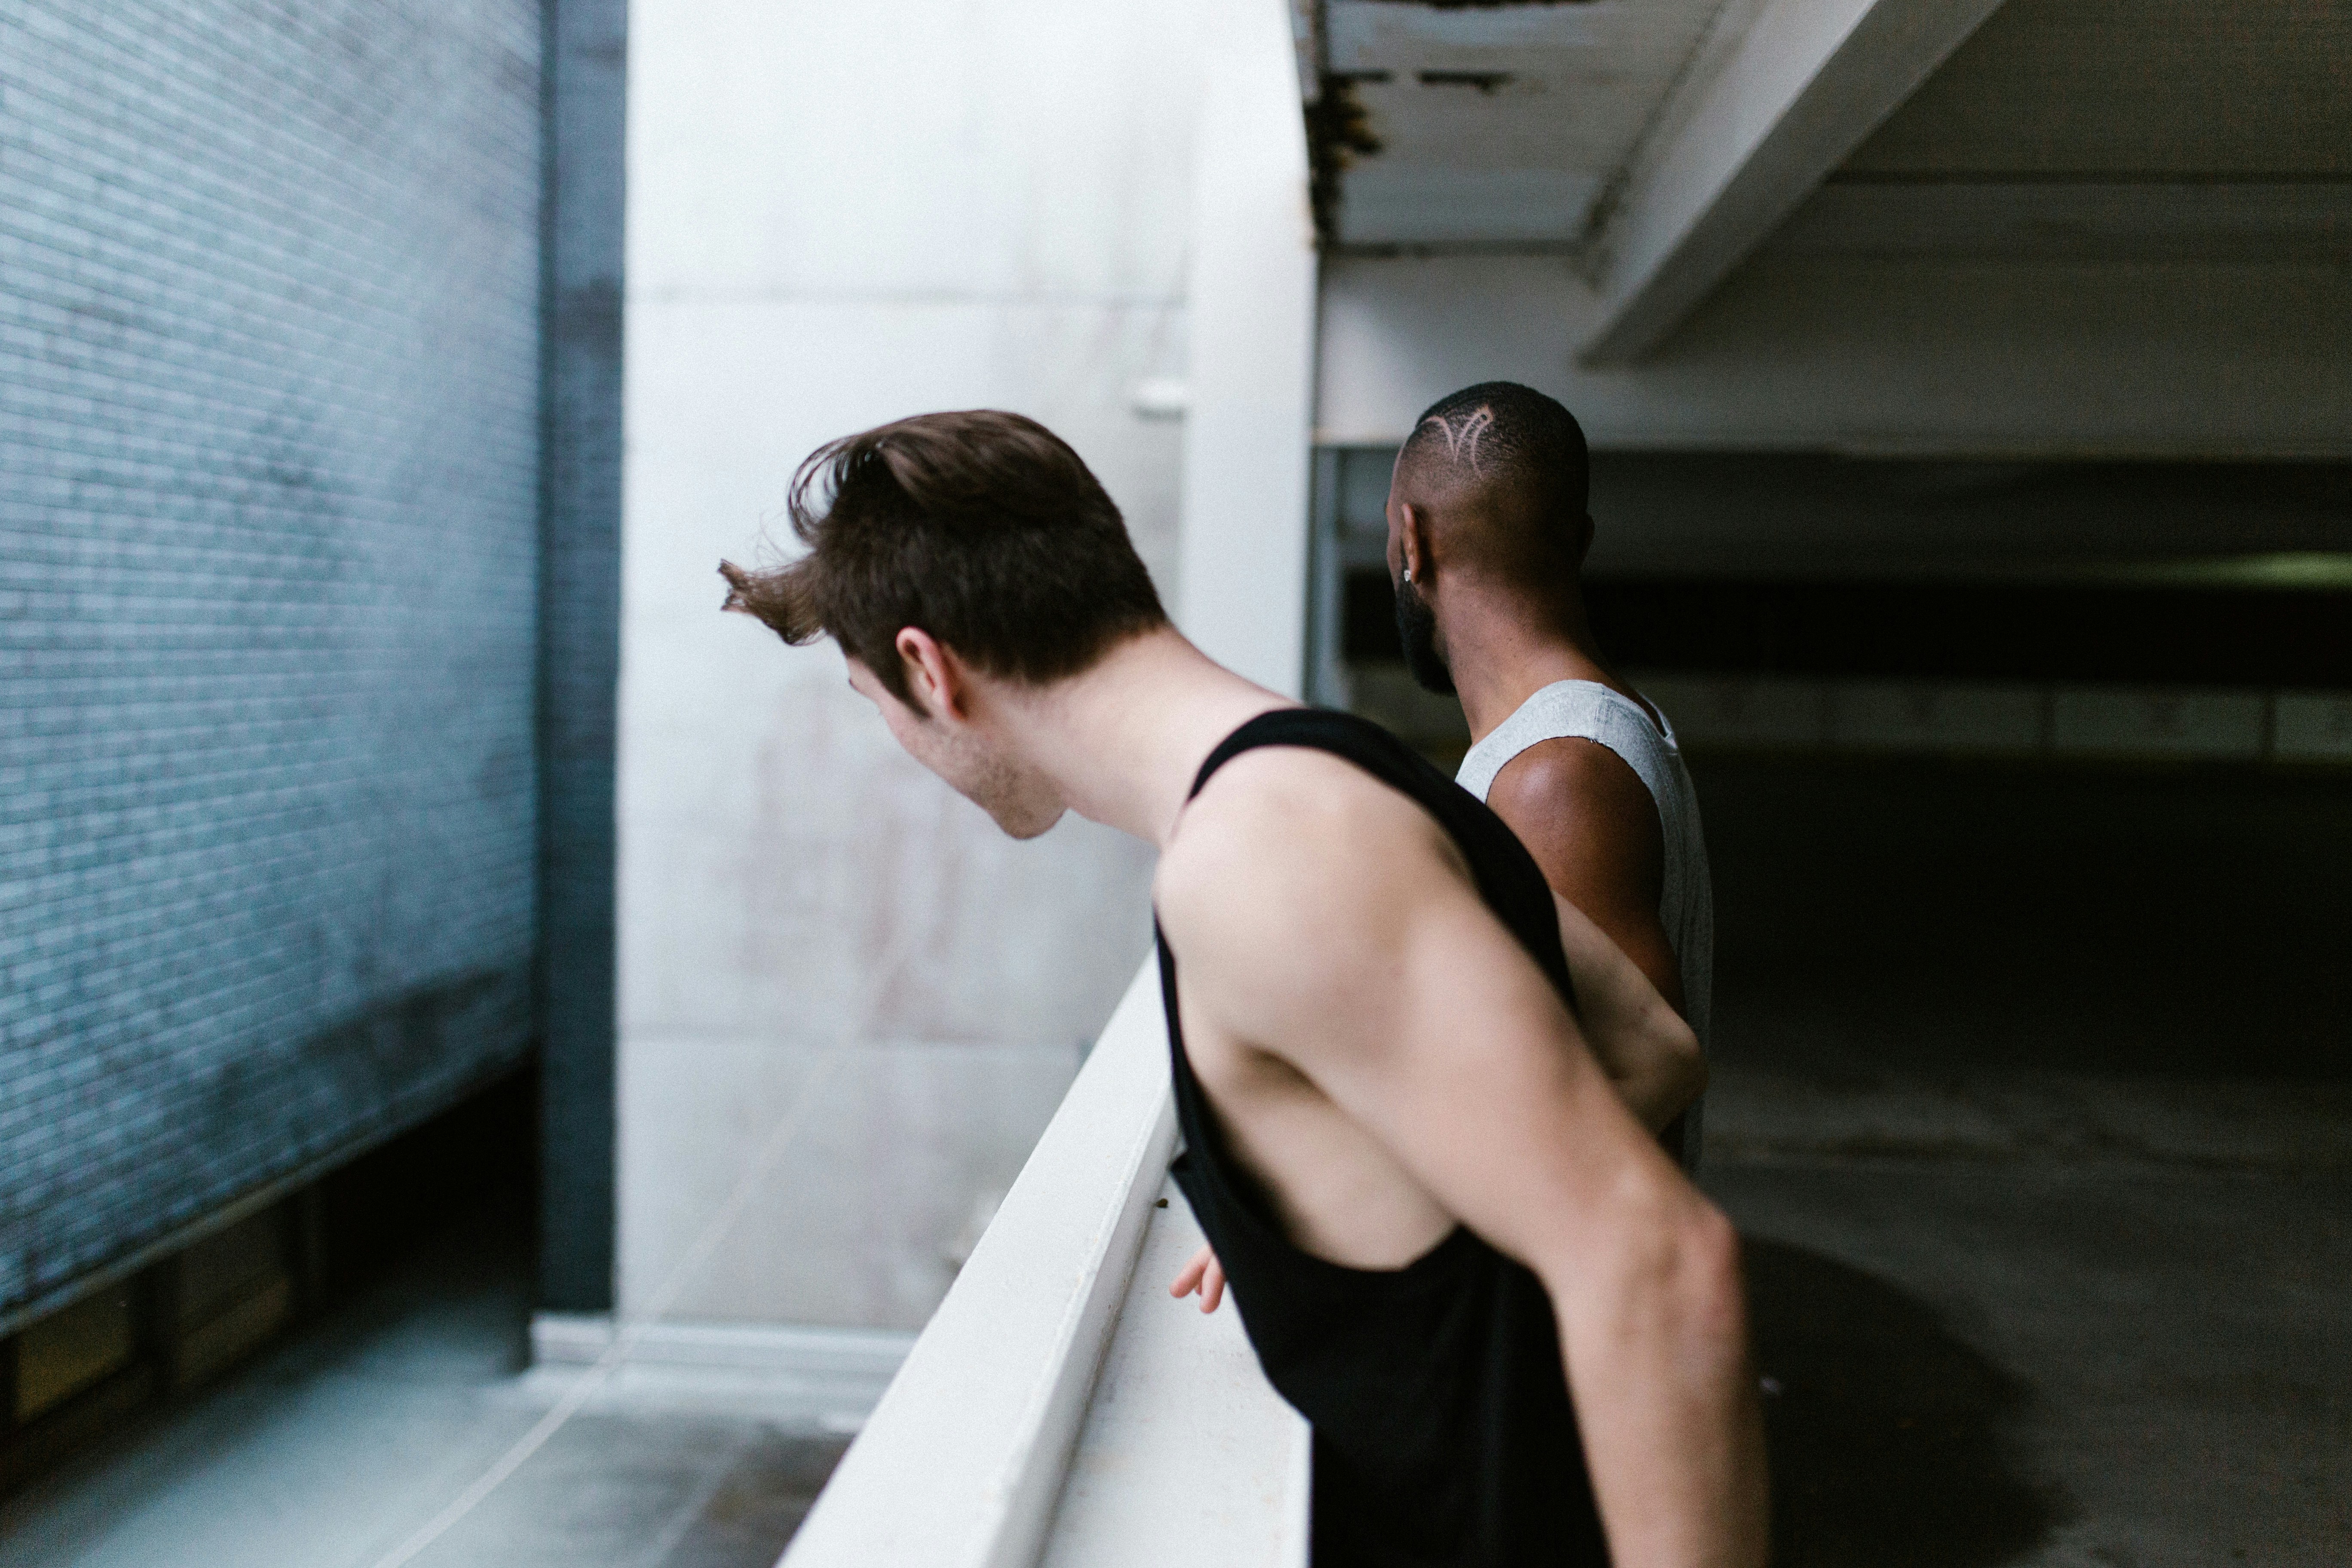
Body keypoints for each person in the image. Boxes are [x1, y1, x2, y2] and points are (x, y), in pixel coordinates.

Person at [720, 410, 1766, 1568]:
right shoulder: (1343, 762)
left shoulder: (1261, 854)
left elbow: (1663, 1262)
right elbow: (1656, 1047)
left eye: (877, 704)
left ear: (930, 668)